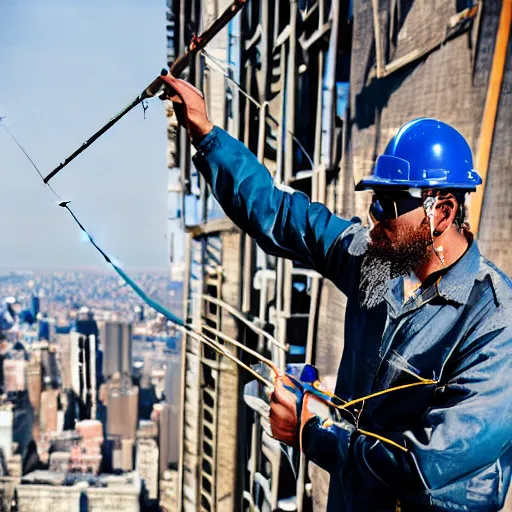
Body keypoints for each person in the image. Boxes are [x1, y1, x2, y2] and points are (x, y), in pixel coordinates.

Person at [161, 74, 512, 511]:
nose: (375, 215)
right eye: (373, 200)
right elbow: (282, 215)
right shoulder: (377, 260)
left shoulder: (494, 323)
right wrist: (206, 134)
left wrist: (314, 432)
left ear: (441, 209)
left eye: (389, 202)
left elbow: (428, 469)